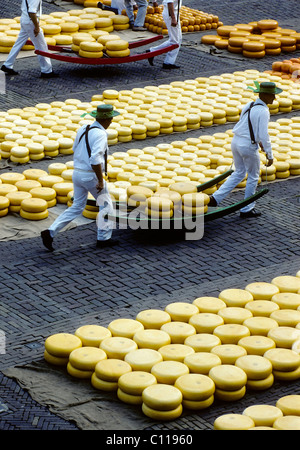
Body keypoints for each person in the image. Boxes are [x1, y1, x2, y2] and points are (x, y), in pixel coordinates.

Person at [41, 104, 120, 252]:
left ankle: (50, 232)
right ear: (108, 119)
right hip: (91, 175)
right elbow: (95, 160)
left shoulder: (83, 128)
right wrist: (101, 180)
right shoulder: (101, 134)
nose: (111, 122)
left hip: (77, 173)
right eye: (111, 119)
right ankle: (103, 239)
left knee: (77, 206)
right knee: (106, 205)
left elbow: (75, 149)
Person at [208, 81, 282, 218]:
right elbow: (264, 134)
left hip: (236, 142)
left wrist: (258, 141)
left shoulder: (249, 105)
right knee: (253, 176)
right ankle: (247, 208)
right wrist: (269, 154)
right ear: (264, 95)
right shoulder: (264, 111)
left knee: (239, 172)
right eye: (272, 95)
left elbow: (246, 124)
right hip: (247, 146)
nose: (274, 98)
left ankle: (215, 198)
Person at [1, 0, 57, 78]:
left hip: (24, 19)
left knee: (19, 43)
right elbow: (32, 12)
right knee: (41, 46)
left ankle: (7, 64)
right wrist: (37, 27)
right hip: (31, 22)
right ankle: (46, 71)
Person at [147, 0, 182, 69]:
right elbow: (170, 3)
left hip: (174, 13)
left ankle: (167, 61)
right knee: (175, 41)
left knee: (178, 39)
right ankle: (167, 62)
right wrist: (173, 18)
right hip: (171, 14)